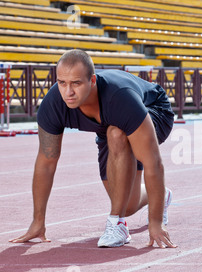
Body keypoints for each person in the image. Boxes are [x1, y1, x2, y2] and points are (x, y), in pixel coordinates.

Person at [9, 49, 177, 249]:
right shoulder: (53, 105)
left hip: (153, 109)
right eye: (62, 83)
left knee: (117, 133)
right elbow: (46, 162)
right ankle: (159, 195)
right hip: (110, 125)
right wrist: (38, 221)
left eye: (76, 83)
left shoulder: (121, 98)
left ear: (93, 81)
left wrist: (156, 222)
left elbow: (153, 162)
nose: (68, 92)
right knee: (128, 204)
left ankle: (117, 224)